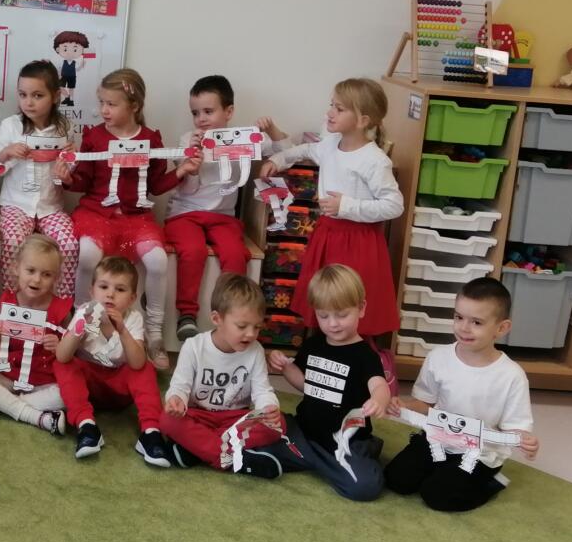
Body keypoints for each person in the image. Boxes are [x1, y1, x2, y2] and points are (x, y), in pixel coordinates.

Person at [259, 77, 403, 382]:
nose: (330, 113)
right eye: (331, 105)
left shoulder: (375, 160)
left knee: (349, 305)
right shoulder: (329, 145)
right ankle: (319, 366)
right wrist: (277, 159)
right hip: (328, 236)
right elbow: (303, 150)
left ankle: (363, 371)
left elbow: (394, 205)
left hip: (358, 243)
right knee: (323, 302)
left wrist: (347, 206)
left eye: (339, 108)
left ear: (363, 120)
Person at [56, 67, 198, 364]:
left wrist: (182, 171)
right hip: (96, 214)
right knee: (87, 255)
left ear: (134, 106)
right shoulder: (95, 136)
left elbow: (156, 185)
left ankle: (155, 333)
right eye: (102, 103)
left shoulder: (150, 139)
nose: (104, 110)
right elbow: (83, 179)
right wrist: (68, 178)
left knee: (158, 261)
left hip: (136, 219)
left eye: (112, 104)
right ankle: (79, 321)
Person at [385, 277, 539, 512]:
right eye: (458, 317)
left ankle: (490, 484)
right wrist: (403, 405)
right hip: (438, 439)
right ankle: (443, 471)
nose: (464, 327)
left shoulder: (511, 376)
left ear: (501, 328)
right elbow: (425, 403)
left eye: (476, 322)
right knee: (396, 479)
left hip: (479, 452)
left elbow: (516, 427)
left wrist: (525, 441)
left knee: (436, 496)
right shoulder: (438, 357)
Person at [167, 74, 285, 340]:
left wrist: (271, 130)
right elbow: (186, 185)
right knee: (192, 250)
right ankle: (187, 314)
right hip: (185, 214)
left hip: (223, 217)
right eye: (195, 113)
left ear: (229, 112)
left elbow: (285, 150)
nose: (201, 118)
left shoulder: (242, 138)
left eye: (208, 111)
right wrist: (191, 161)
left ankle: (233, 315)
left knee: (235, 254)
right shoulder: (188, 139)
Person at [266, 264, 388, 500]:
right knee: (260, 436)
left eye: (342, 315)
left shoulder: (365, 355)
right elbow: (305, 384)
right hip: (305, 431)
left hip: (344, 440)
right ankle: (317, 460)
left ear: (361, 308)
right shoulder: (314, 345)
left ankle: (343, 455)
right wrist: (285, 367)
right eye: (324, 316)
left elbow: (379, 384)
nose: (333, 324)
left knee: (364, 487)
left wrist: (378, 400)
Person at [159, 274, 285, 479]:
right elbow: (180, 386)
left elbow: (262, 391)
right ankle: (231, 459)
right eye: (242, 326)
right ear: (217, 319)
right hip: (199, 416)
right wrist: (176, 399)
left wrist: (268, 407)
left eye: (257, 327)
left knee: (278, 424)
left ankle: (198, 450)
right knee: (167, 420)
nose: (251, 334)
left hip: (235, 419)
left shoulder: (256, 351)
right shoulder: (194, 347)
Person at [52, 255, 168, 467]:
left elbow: (137, 363)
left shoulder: (133, 318)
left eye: (120, 289)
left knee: (145, 368)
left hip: (120, 388)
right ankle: (86, 425)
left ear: (132, 298)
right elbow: (62, 356)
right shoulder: (84, 312)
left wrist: (122, 330)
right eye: (103, 287)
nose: (110, 294)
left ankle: (151, 432)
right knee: (63, 364)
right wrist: (80, 328)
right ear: (92, 291)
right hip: (89, 387)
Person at [0, 234, 73, 436]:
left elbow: (68, 358)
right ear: (16, 268)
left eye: (46, 274)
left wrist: (59, 347)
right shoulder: (6, 303)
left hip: (44, 382)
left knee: (67, 394)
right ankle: (36, 416)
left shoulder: (62, 310)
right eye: (30, 271)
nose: (37, 279)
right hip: (9, 376)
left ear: (56, 278)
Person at [0, 60, 79, 299]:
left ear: (55, 96)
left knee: (69, 244)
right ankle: (11, 301)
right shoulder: (10, 125)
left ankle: (61, 305)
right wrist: (7, 153)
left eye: (37, 95)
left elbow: (70, 169)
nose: (28, 102)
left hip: (51, 206)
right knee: (13, 242)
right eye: (23, 95)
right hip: (15, 205)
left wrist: (70, 163)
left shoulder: (65, 127)